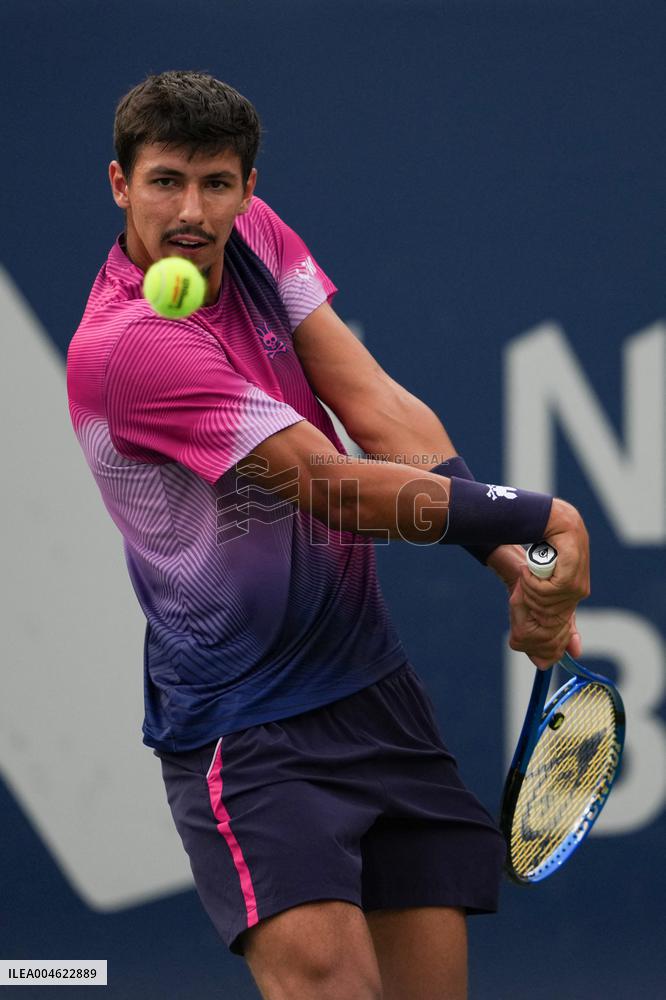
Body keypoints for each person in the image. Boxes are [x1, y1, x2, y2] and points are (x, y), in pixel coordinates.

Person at [67, 70, 589, 1000]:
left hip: (374, 692)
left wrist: (516, 564)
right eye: (165, 182)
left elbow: (379, 409)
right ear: (120, 183)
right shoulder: (131, 347)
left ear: (249, 189)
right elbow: (330, 485)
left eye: (217, 184)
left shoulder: (257, 242)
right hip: (250, 726)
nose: (192, 212)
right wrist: (543, 519)